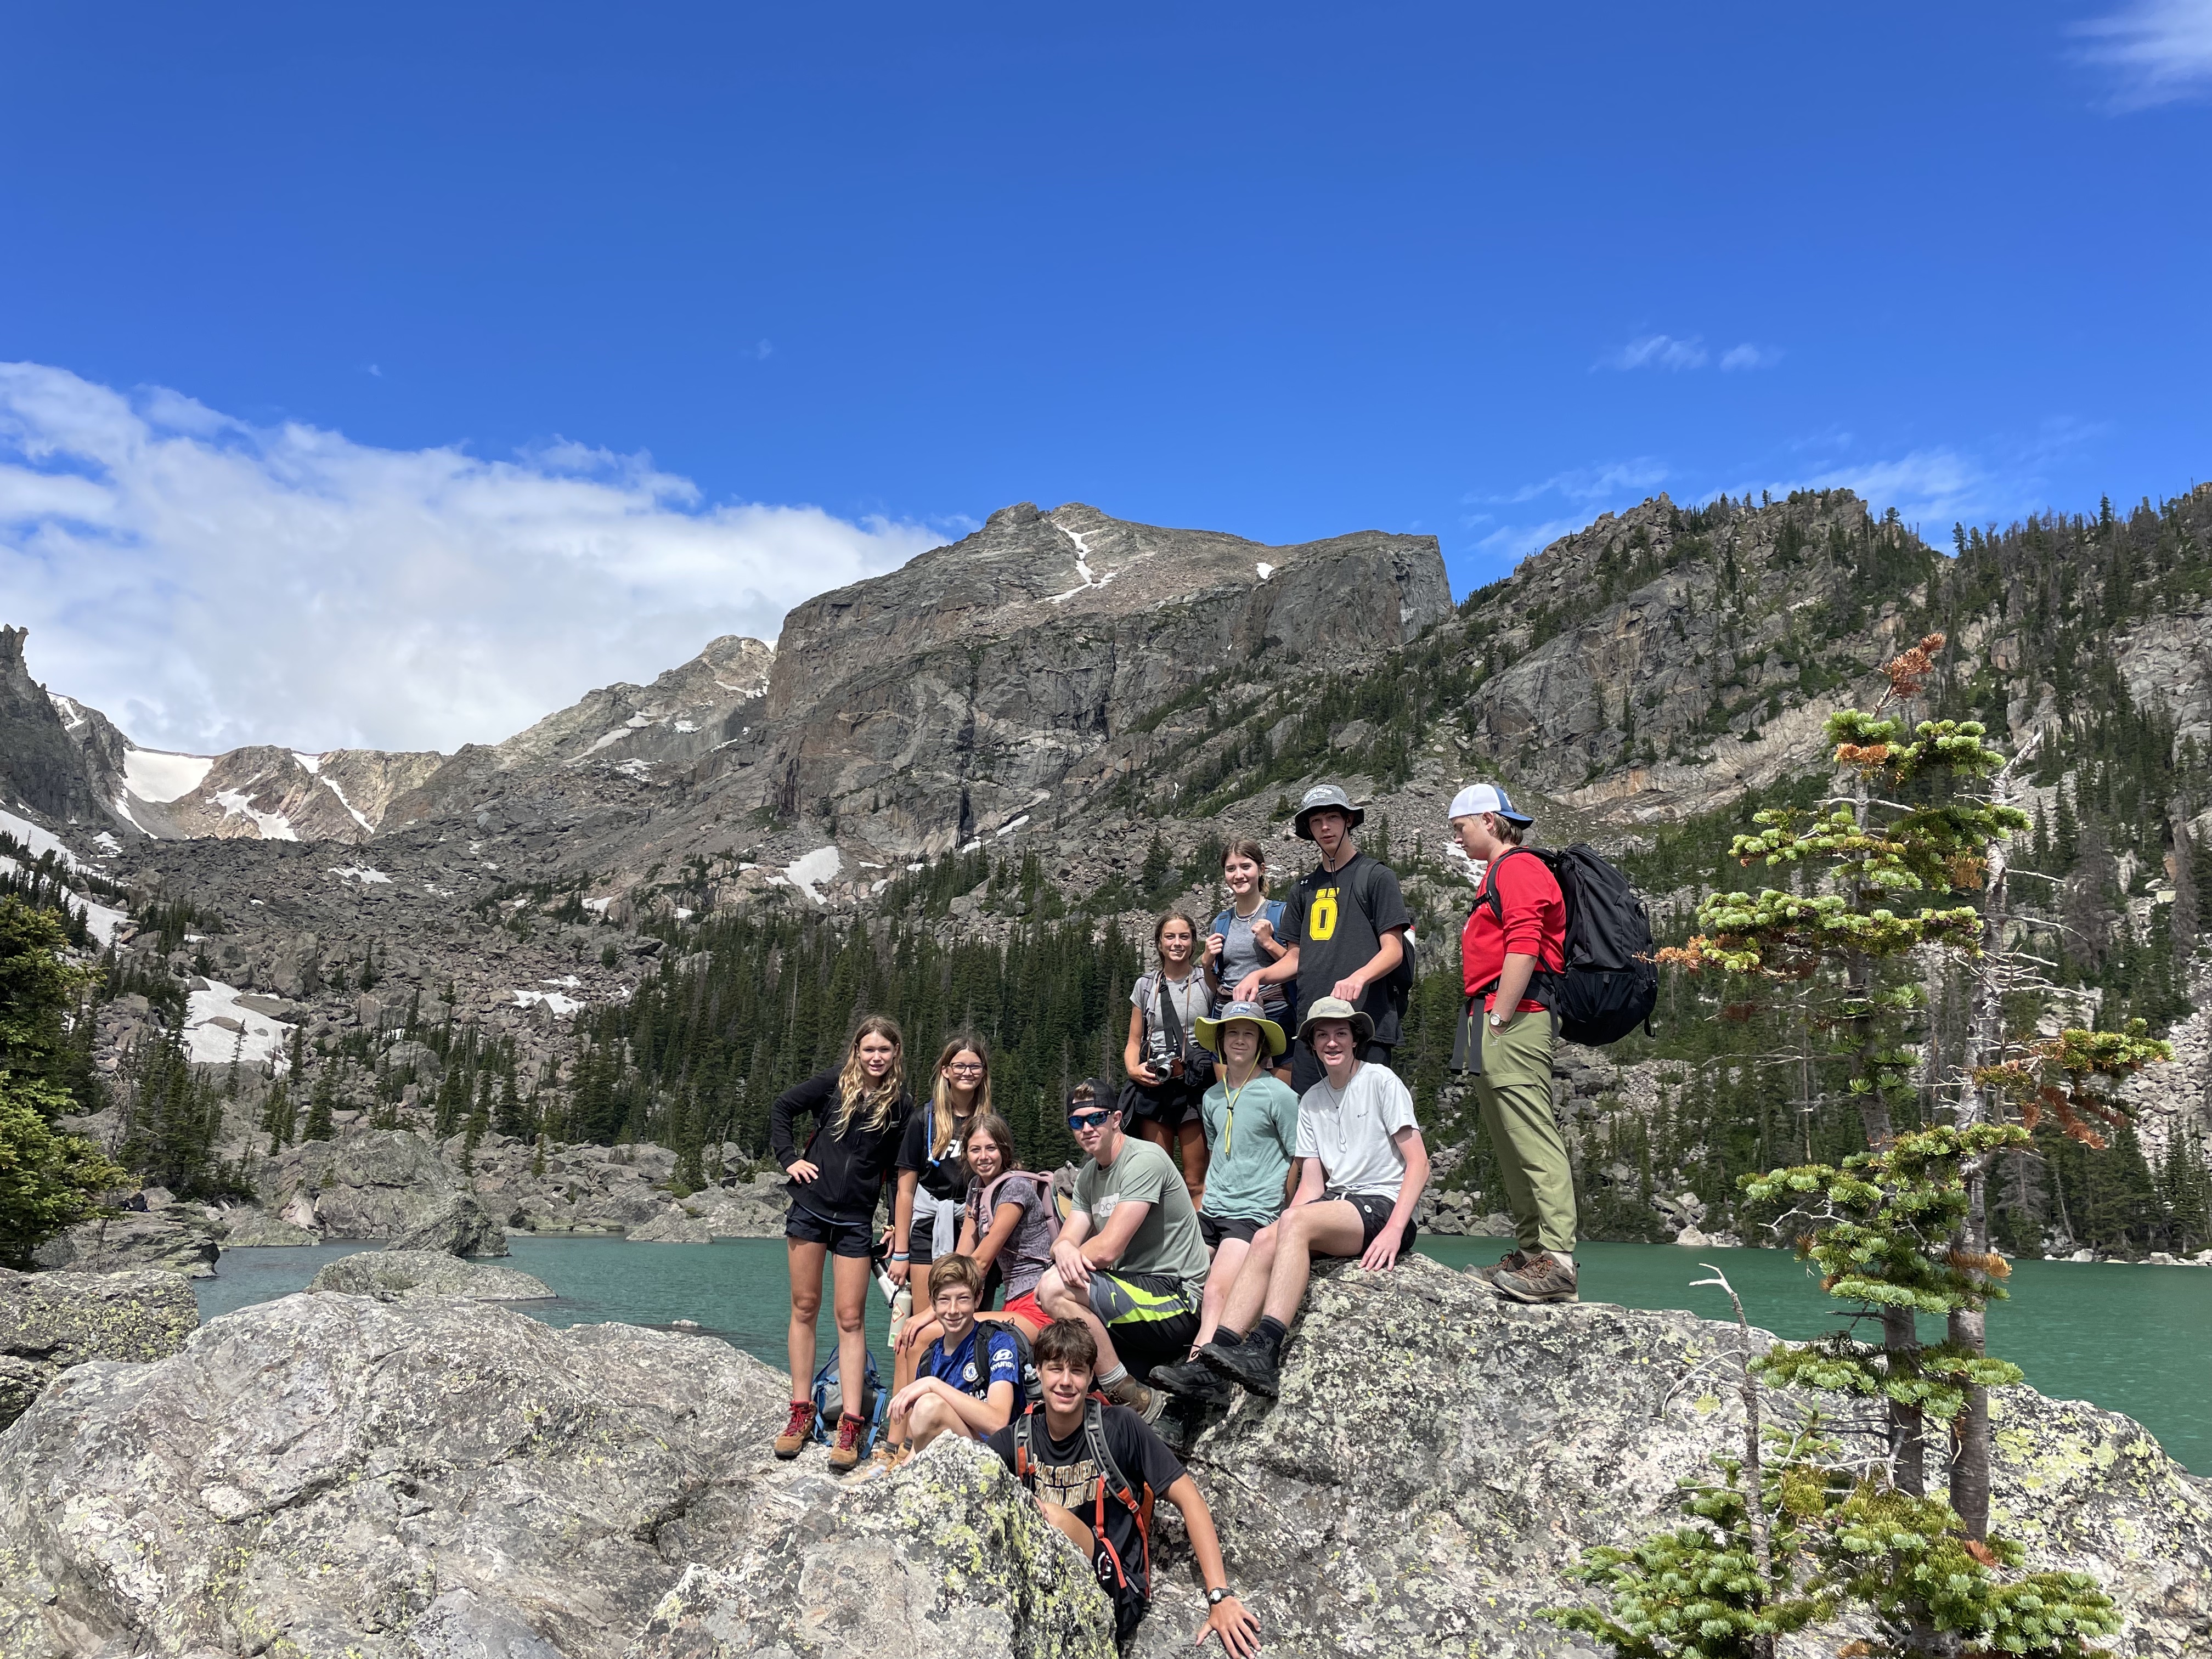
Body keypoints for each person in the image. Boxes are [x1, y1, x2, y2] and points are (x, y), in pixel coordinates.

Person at [1180, 997, 1429, 1401]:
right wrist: (1281, 1227)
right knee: (1264, 1237)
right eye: (1323, 1035)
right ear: (1312, 1044)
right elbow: (1311, 1184)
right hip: (1337, 1204)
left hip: (1381, 1205)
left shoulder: (1381, 1081)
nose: (1332, 1042)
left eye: (1341, 1034)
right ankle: (1216, 1363)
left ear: (1355, 1040)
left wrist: (1395, 1231)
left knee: (1292, 1224)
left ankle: (1266, 1350)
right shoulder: (1311, 1099)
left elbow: (1418, 1163)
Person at [988, 1318, 1261, 1656]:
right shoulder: (1020, 1436)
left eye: (1077, 1371)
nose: (1065, 1382)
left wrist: (1219, 1596)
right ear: (1039, 1372)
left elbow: (1189, 1498)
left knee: (1051, 1518)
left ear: (1091, 1377)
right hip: (1046, 1580)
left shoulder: (1118, 1426)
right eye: (1055, 1369)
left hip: (1116, 1587)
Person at [1449, 781, 1578, 1305]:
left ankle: (1560, 1261)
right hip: (1485, 1016)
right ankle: (1531, 1254)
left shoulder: (1520, 867)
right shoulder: (1498, 873)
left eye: (1460, 828)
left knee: (1531, 1133)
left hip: (1512, 1015)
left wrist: (1499, 1016)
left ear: (1487, 820)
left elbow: (1525, 945)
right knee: (1507, 1137)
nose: (1457, 839)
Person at [770, 1015, 913, 1469]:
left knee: (851, 1318)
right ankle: (800, 1413)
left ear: (895, 1055)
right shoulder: (833, 1084)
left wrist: (892, 1221)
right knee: (804, 1308)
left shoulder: (901, 1105)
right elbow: (781, 1109)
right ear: (857, 1050)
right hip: (810, 1208)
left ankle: (851, 1425)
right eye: (869, 1050)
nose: (876, 1058)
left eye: (884, 1051)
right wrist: (790, 1159)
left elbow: (898, 1169)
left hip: (856, 1221)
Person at [1146, 1001, 1300, 1409]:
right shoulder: (1213, 1097)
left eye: (1249, 1033)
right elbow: (1218, 1152)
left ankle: (1203, 1374)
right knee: (1171, 1276)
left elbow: (1297, 1156)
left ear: (1261, 1043)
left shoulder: (1280, 1095)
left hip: (1253, 1213)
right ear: (1221, 1041)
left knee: (1216, 1289)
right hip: (1212, 1209)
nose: (1240, 1040)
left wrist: (1286, 1209)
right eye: (1232, 1032)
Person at [1032, 1081, 1210, 1421]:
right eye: (1077, 1122)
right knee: (1052, 1290)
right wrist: (1064, 1249)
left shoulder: (1145, 1159)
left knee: (1054, 1287)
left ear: (1116, 1118)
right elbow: (1065, 1239)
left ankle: (1129, 1394)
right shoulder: (1086, 1177)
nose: (1086, 1128)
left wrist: (1067, 1254)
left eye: (1096, 1118)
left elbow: (1109, 1248)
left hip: (1177, 1297)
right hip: (1133, 1293)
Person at [885, 1112, 1059, 1455]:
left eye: (991, 1148)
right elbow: (961, 1258)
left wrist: (926, 1316)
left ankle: (899, 1448)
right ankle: (899, 1440)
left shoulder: (1016, 1189)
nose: (983, 1157)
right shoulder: (977, 1190)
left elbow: (979, 1263)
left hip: (1037, 1307)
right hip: (1013, 1305)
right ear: (965, 1153)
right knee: (911, 1338)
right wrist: (931, 1307)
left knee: (920, 1334)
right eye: (975, 1149)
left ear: (1004, 1150)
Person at [1234, 783, 1412, 1095]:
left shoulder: (1376, 876)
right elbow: (1295, 959)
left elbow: (1393, 950)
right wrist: (1259, 975)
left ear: (1349, 821)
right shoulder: (1302, 888)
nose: (1325, 827)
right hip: (1312, 1028)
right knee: (1314, 1125)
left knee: (1368, 1125)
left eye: (1333, 817)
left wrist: (1359, 977)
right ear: (1309, 829)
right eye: (1316, 821)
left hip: (1363, 1024)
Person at [884, 1253, 1025, 1456]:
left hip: (995, 1458)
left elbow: (997, 1422)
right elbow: (922, 1440)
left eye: (963, 1299)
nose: (953, 1310)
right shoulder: (930, 1358)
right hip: (948, 1459)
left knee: (928, 1406)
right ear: (932, 1304)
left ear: (978, 1298)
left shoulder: (997, 1343)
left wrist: (934, 1385)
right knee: (925, 1411)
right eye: (944, 1300)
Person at [1122, 911, 1214, 1205]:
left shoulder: (1206, 982)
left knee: (1194, 1181)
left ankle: (1200, 1246)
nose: (1177, 944)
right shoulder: (1145, 986)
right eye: (1170, 937)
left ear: (1193, 942)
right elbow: (1134, 1039)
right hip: (1154, 1084)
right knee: (1157, 1177)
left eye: (1184, 937)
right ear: (1159, 944)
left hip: (1194, 1087)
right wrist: (1133, 1070)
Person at [893, 1034, 991, 1284]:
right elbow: (906, 1191)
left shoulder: (992, 1124)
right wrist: (901, 1254)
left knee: (968, 1315)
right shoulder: (922, 1120)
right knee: (926, 1317)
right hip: (928, 1228)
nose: (967, 1072)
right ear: (946, 1071)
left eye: (975, 1066)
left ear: (983, 1073)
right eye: (959, 1066)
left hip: (977, 1228)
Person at [1203, 840, 1291, 1079]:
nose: (1238, 875)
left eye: (1245, 867)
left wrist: (1269, 944)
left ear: (1261, 869)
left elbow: (1296, 966)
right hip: (1227, 1015)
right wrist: (1206, 963)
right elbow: (1215, 985)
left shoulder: (1281, 913)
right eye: (1231, 869)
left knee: (1278, 1101)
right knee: (1231, 1101)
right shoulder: (1220, 922)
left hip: (1275, 1016)